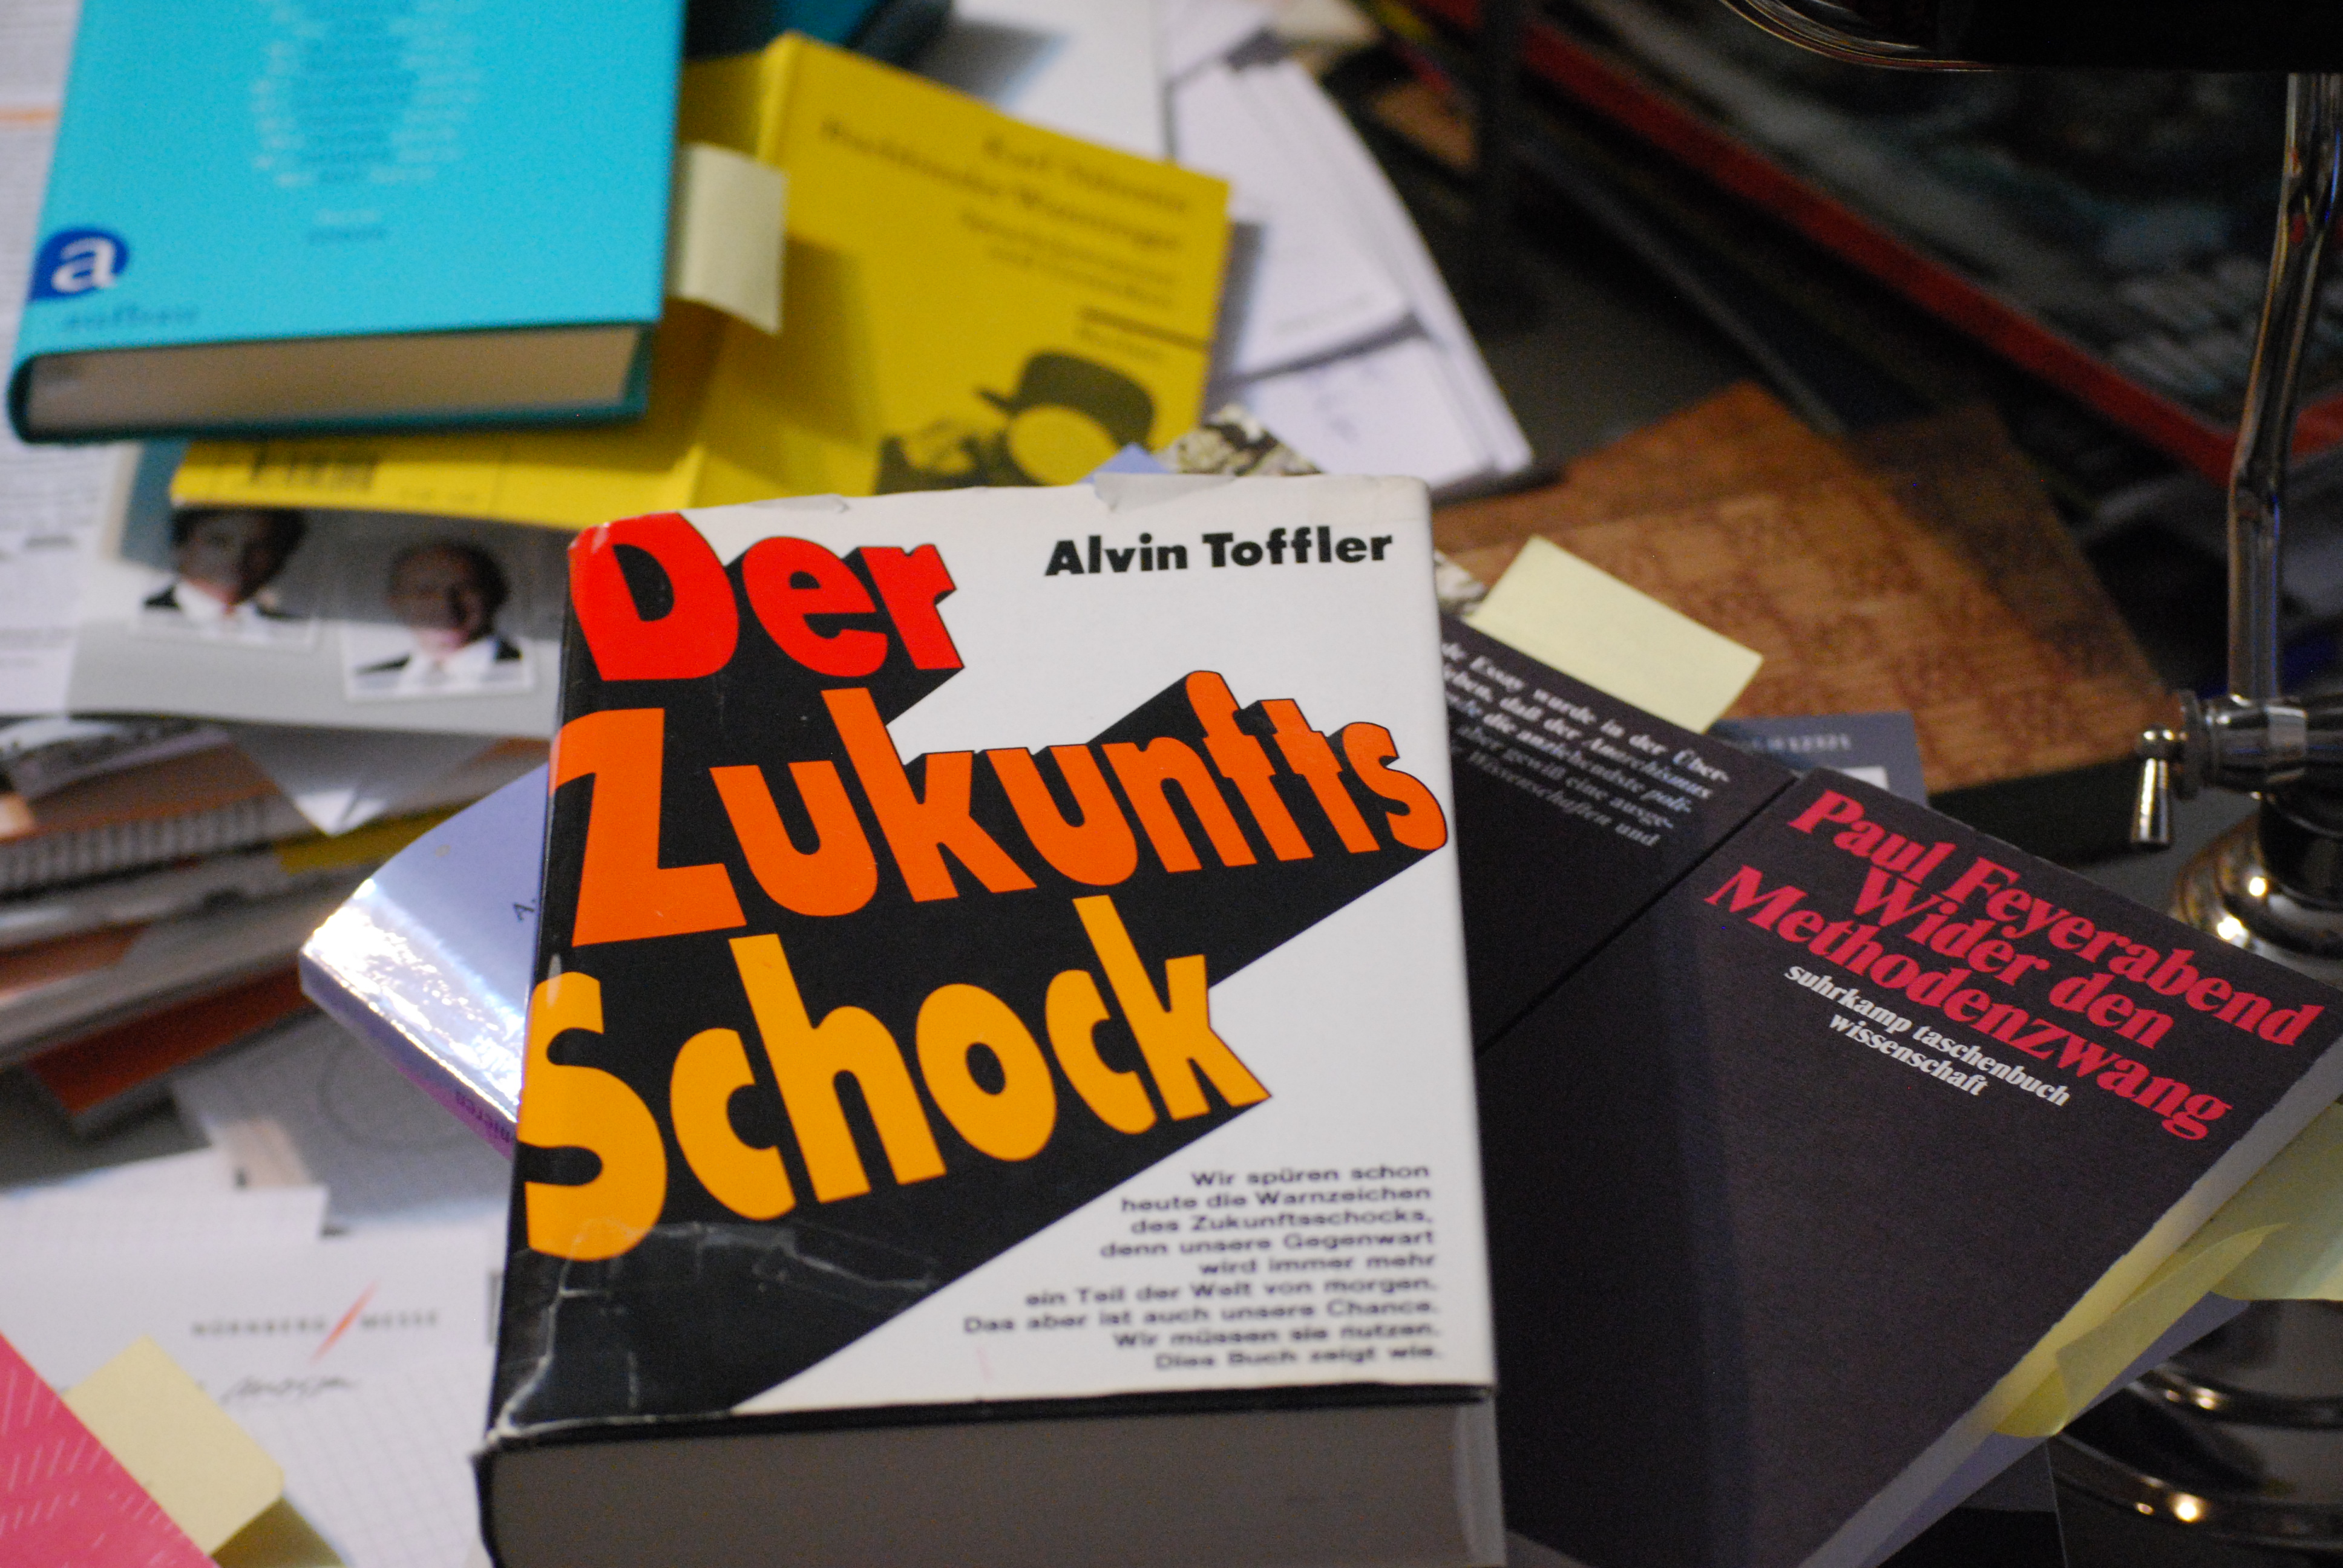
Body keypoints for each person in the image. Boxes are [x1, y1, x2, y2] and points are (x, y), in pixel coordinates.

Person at [353, 541, 525, 694]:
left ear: (497, 595)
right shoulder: (365, 682)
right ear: (395, 602)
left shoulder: (527, 670)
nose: (444, 605)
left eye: (464, 589)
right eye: (425, 592)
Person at [142, 508, 307, 632]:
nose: (237, 556)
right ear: (181, 546)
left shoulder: (294, 630)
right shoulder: (142, 616)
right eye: (219, 542)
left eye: (259, 546)